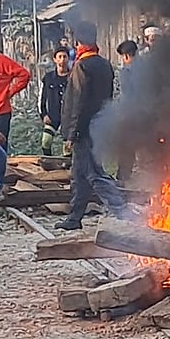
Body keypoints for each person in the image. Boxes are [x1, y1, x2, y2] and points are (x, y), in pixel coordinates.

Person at [55, 22, 129, 231]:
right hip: (98, 126)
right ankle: (74, 218)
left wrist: (71, 132)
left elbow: (78, 102)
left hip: (83, 129)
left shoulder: (81, 65)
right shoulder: (104, 64)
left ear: (78, 41)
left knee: (94, 174)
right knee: (80, 176)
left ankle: (124, 211)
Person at [114, 39, 140, 180]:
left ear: (126, 56)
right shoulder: (147, 67)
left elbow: (126, 94)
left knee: (126, 147)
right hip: (148, 114)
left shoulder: (126, 71)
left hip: (131, 115)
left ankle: (122, 178)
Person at [40, 47, 73, 156]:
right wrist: (44, 114)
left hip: (69, 116)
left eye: (65, 57)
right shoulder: (48, 78)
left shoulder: (74, 77)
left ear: (68, 59)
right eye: (60, 57)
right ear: (55, 59)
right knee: (46, 141)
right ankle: (48, 162)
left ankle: (67, 169)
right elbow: (42, 97)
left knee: (67, 147)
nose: (62, 59)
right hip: (53, 115)